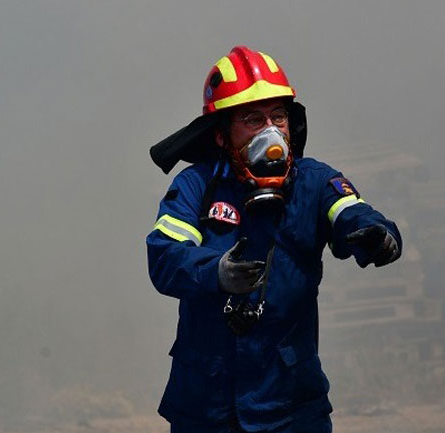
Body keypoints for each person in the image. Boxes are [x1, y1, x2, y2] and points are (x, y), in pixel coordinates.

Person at [146, 45, 402, 433]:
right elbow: (164, 258)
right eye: (252, 119)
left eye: (278, 116)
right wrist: (214, 272)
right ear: (221, 135)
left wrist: (377, 237)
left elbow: (354, 214)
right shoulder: (197, 185)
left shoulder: (315, 182)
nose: (270, 130)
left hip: (290, 406)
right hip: (207, 406)